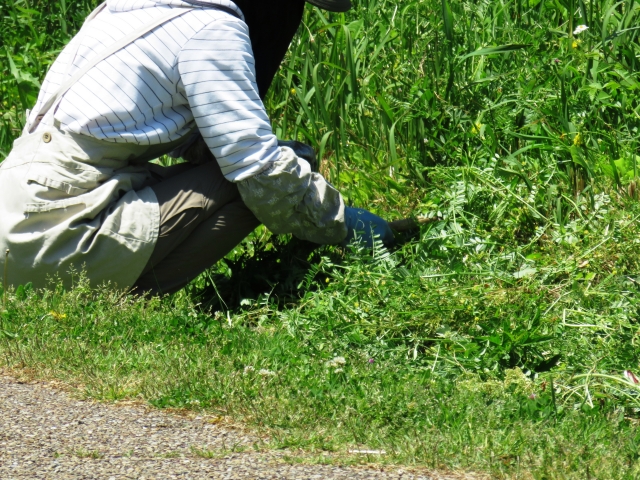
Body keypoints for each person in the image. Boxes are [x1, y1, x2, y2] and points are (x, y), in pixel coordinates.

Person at [0, 0, 393, 295]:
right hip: (54, 231)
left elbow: (139, 127)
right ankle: (118, 292)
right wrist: (346, 224)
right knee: (260, 183)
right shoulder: (212, 28)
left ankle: (106, 278)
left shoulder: (129, 8)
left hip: (14, 214)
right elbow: (258, 169)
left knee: (277, 169)